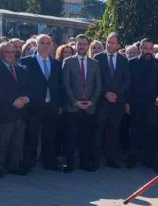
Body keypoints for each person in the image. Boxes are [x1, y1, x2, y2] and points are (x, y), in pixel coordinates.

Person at [19, 34, 64, 171]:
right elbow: (23, 84)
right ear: (36, 45)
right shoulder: (26, 61)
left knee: (49, 135)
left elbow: (59, 85)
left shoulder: (56, 63)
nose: (45, 45)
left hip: (51, 105)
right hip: (34, 105)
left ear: (51, 46)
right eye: (42, 43)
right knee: (31, 135)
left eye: (48, 43)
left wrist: (60, 104)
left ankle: (48, 162)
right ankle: (28, 163)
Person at [0, 41, 31, 177]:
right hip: (3, 113)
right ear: (0, 54)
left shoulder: (22, 69)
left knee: (17, 142)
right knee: (1, 143)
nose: (10, 54)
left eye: (12, 52)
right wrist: (14, 101)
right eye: (6, 52)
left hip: (20, 112)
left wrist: (25, 99)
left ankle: (14, 166)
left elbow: (30, 88)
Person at [61, 34, 102, 172]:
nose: (82, 47)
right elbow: (66, 84)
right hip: (73, 107)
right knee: (71, 136)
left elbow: (98, 85)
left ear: (87, 46)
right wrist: (75, 102)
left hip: (89, 107)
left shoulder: (95, 63)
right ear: (76, 45)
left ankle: (85, 163)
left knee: (86, 137)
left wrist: (92, 101)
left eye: (85, 44)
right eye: (80, 44)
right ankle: (70, 164)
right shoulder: (68, 62)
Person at [95, 32, 131, 168]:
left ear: (118, 45)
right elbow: (96, 80)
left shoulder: (123, 60)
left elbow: (127, 80)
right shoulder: (98, 58)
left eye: (112, 42)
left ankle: (111, 159)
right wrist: (106, 93)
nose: (109, 44)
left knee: (114, 131)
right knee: (99, 131)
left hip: (117, 102)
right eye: (108, 42)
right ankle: (95, 160)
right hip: (102, 101)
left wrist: (116, 94)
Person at [127, 38, 158, 168]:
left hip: (152, 104)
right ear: (140, 49)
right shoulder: (131, 63)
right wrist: (127, 102)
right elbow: (128, 84)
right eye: (145, 48)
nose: (148, 51)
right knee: (134, 132)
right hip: (135, 102)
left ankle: (149, 161)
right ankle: (131, 160)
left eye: (150, 48)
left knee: (150, 131)